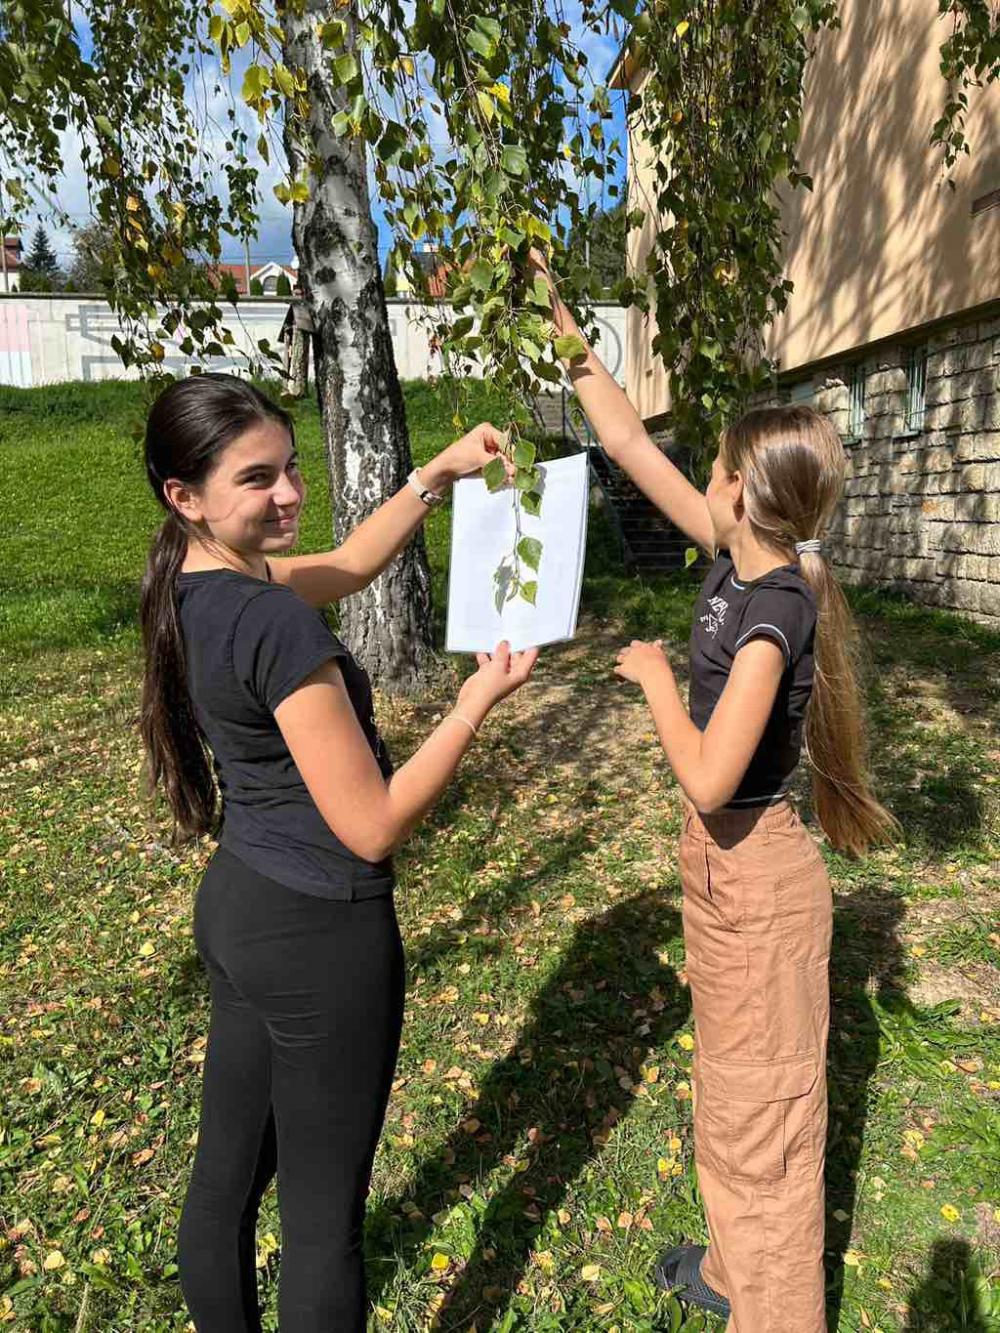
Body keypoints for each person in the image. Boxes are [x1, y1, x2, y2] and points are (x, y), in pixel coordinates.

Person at [527, 250, 898, 1331]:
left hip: (756, 876)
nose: (704, 476)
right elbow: (629, 442)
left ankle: (772, 1306)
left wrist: (652, 677)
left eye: (717, 466)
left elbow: (707, 773)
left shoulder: (775, 611)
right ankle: (736, 1270)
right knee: (736, 1098)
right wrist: (559, 324)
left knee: (765, 1122)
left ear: (739, 489)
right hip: (725, 874)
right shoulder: (738, 556)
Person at [137, 372, 536, 1332]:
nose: (288, 494)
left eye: (291, 467)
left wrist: (437, 474)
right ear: (185, 496)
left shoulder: (195, 584)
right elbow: (373, 822)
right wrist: (473, 703)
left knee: (224, 1180)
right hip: (319, 936)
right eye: (256, 478)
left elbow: (354, 563)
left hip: (241, 905)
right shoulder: (271, 617)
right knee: (321, 1230)